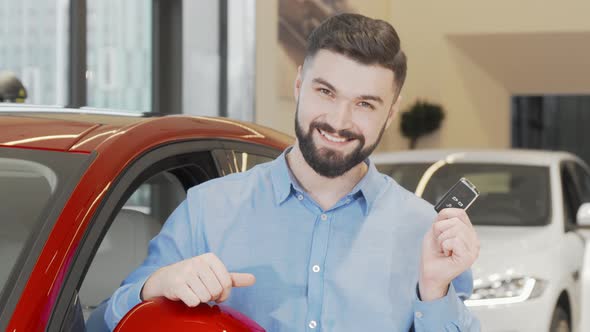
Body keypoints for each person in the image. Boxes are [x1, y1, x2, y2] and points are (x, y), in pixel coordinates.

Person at [105, 13, 480, 331]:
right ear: (300, 84)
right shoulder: (208, 208)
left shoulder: (423, 231)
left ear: (391, 112)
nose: (339, 121)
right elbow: (108, 319)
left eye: (365, 103)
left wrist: (433, 290)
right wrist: (158, 285)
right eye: (326, 92)